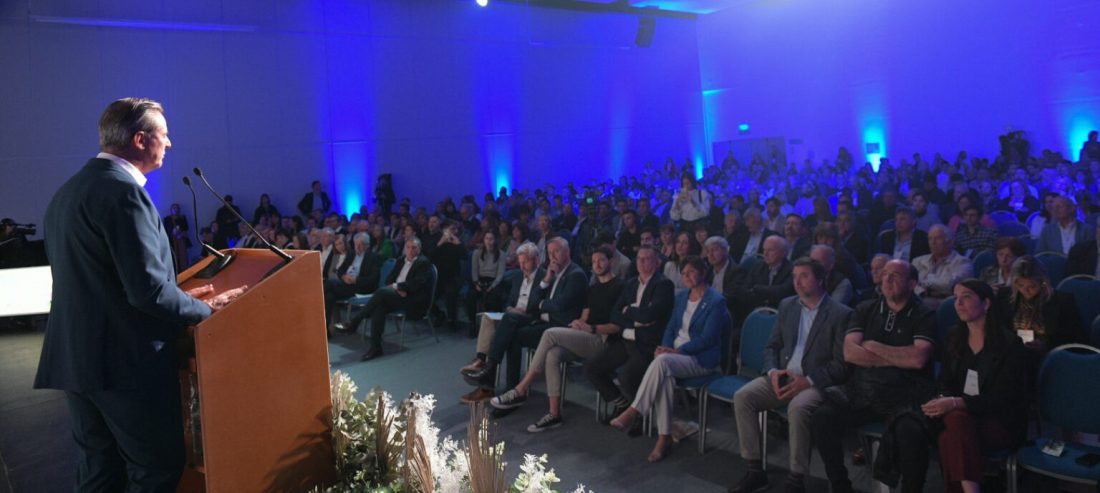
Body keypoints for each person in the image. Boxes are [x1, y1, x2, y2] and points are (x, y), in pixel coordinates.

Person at [36, 98, 242, 492]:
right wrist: (206, 310)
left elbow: (103, 282)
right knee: (156, 468)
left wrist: (179, 296)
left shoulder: (69, 191)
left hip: (77, 359)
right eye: (164, 134)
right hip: (124, 365)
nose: (170, 143)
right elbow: (147, 293)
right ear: (140, 139)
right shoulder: (124, 194)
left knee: (100, 472)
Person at [811, 259, 937, 493]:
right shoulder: (865, 308)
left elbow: (918, 359)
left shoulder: (924, 313)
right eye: (885, 273)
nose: (887, 279)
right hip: (864, 389)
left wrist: (874, 347)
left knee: (912, 432)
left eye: (895, 275)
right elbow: (850, 353)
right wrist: (898, 357)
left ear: (912, 283)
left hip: (906, 394)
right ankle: (840, 485)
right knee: (823, 417)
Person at [729, 258, 853, 493]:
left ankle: (796, 479)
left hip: (815, 383)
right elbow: (772, 346)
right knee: (743, 396)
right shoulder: (787, 305)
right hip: (784, 375)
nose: (797, 282)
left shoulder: (840, 314)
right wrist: (773, 371)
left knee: (797, 408)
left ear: (820, 279)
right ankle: (755, 471)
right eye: (795, 276)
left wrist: (808, 381)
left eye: (804, 276)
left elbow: (841, 365)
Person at [488, 246, 625, 432]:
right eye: (594, 262)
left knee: (550, 334)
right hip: (586, 335)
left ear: (611, 261)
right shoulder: (593, 288)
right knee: (553, 354)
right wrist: (579, 322)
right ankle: (554, 414)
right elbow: (585, 316)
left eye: (601, 260)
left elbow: (618, 326)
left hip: (604, 339)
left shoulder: (620, 287)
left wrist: (592, 328)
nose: (597, 265)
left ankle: (520, 390)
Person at [609, 255, 730, 463]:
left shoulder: (716, 301)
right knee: (664, 375)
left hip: (700, 359)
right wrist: (664, 347)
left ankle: (634, 410)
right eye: (683, 273)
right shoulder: (682, 297)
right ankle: (663, 438)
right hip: (674, 357)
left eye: (691, 272)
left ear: (703, 273)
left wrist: (676, 352)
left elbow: (708, 339)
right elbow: (671, 328)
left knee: (662, 363)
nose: (686, 276)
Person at [921, 280, 1028, 493]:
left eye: (966, 297)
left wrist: (955, 403)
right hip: (962, 418)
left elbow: (1003, 398)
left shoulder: (1010, 344)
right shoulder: (954, 336)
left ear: (986, 303)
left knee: (950, 434)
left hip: (999, 420)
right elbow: (944, 381)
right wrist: (944, 400)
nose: (958, 303)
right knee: (953, 426)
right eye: (956, 298)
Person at [463, 237, 588, 392]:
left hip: (559, 327)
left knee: (510, 322)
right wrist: (547, 280)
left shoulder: (575, 274)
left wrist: (542, 304)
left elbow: (558, 305)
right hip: (545, 322)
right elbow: (536, 300)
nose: (552, 257)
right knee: (513, 335)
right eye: (550, 253)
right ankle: (509, 386)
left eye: (556, 251)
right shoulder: (553, 273)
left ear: (567, 252)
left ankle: (490, 369)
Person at [584, 245, 675, 421]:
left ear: (657, 262)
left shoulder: (663, 284)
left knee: (626, 376)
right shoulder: (631, 283)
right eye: (639, 258)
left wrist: (629, 310)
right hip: (626, 341)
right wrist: (637, 316)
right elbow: (615, 315)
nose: (641, 262)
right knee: (591, 367)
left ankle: (638, 417)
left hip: (647, 344)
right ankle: (622, 404)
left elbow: (650, 315)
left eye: (646, 259)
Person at [459, 242, 545, 403]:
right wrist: (510, 308)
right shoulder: (518, 276)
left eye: (526, 262)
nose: (522, 266)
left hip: (530, 318)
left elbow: (540, 305)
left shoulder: (544, 277)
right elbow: (510, 300)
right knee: (489, 319)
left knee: (508, 325)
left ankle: (488, 372)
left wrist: (519, 312)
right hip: (513, 316)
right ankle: (481, 360)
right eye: (520, 262)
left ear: (537, 260)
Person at [334, 237, 433, 361]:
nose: (410, 250)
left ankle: (354, 322)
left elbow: (417, 283)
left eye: (414, 248)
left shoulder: (424, 262)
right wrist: (396, 288)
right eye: (408, 247)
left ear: (419, 249)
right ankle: (376, 348)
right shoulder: (401, 260)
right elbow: (389, 279)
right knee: (379, 308)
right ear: (404, 249)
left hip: (412, 299)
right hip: (397, 295)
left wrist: (397, 287)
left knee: (381, 292)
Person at [998, 256, 1086, 354]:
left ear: (1043, 282)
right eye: (1020, 285)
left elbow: (1075, 339)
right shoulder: (1004, 297)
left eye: (1032, 286)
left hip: (1049, 354)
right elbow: (999, 331)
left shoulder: (1062, 302)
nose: (1025, 291)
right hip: (1013, 353)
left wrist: (1045, 346)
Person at [323, 233, 381, 335]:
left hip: (361, 287)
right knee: (329, 296)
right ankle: (325, 329)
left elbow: (373, 279)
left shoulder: (373, 257)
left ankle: (318, 322)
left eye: (360, 245)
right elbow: (340, 270)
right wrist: (344, 276)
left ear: (367, 245)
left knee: (328, 284)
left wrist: (356, 280)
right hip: (346, 284)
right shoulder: (351, 254)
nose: (357, 247)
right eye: (355, 244)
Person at [912, 225, 974, 308]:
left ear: (950, 242)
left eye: (938, 238)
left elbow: (949, 285)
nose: (933, 242)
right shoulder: (918, 261)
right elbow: (909, 283)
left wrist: (922, 283)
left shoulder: (963, 262)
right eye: (930, 239)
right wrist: (923, 292)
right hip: (918, 299)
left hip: (946, 304)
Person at [466, 230, 506, 321]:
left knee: (495, 297)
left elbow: (500, 274)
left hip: (493, 281)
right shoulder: (477, 253)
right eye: (486, 238)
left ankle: (496, 322)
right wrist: (476, 283)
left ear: (495, 240)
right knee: (470, 296)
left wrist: (492, 286)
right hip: (479, 280)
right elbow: (474, 270)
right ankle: (472, 322)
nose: (488, 241)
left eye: (491, 239)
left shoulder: (501, 254)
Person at [164, 203, 191, 273]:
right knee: (174, 257)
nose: (175, 210)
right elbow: (165, 229)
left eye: (177, 208)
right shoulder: (167, 219)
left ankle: (184, 271)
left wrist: (180, 232)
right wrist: (172, 232)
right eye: (174, 208)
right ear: (171, 209)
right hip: (172, 241)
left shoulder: (182, 218)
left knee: (183, 258)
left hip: (181, 240)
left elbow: (186, 228)